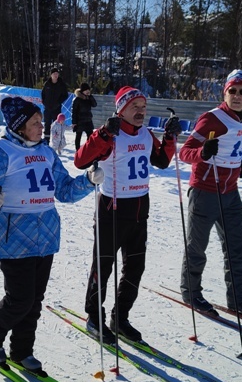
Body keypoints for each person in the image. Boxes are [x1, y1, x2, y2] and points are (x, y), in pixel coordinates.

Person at [0, 95, 97, 372]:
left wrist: (87, 182)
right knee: (20, 299)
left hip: (46, 239)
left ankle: (22, 351)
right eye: (36, 122)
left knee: (34, 302)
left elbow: (63, 190)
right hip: (14, 239)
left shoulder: (48, 153)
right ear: (19, 125)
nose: (42, 126)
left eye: (41, 121)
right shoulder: (2, 152)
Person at [75, 86, 178, 342]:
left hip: (140, 208)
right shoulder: (111, 134)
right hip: (112, 207)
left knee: (135, 268)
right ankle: (93, 316)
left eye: (143, 107)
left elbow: (162, 161)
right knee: (104, 266)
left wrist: (170, 137)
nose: (141, 112)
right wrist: (103, 134)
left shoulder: (145, 134)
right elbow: (80, 160)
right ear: (121, 109)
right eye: (135, 107)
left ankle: (120, 317)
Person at [177, 70, 242, 321]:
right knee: (197, 247)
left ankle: (238, 299)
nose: (237, 96)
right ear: (224, 93)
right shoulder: (211, 119)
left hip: (230, 191)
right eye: (232, 91)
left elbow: (234, 147)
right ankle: (191, 292)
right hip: (205, 190)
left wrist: (238, 164)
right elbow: (185, 153)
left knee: (237, 247)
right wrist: (203, 152)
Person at [40, 68, 69, 143]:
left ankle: (56, 142)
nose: (56, 75)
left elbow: (65, 95)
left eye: (57, 74)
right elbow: (43, 94)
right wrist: (44, 102)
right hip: (47, 108)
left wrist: (58, 102)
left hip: (56, 109)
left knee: (57, 126)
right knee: (47, 125)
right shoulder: (47, 83)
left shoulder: (61, 84)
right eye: (54, 74)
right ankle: (46, 141)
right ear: (51, 75)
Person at [71, 82, 96, 149]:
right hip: (80, 121)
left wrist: (90, 96)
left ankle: (88, 149)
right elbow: (74, 111)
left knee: (90, 136)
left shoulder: (88, 98)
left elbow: (94, 105)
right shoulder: (77, 99)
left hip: (88, 120)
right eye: (86, 90)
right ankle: (78, 150)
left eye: (88, 90)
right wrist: (74, 122)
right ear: (83, 91)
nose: (88, 91)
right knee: (78, 136)